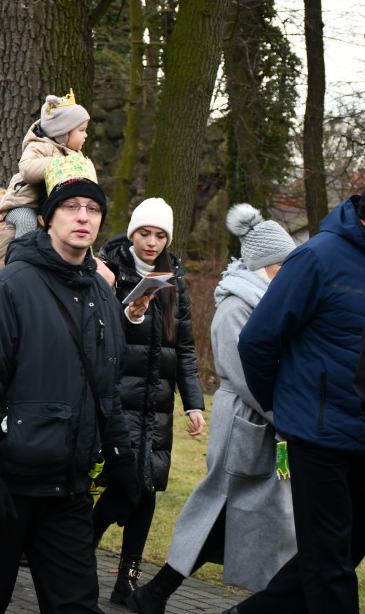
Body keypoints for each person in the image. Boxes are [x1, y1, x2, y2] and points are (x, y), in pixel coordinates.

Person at [0, 154, 140, 614]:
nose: (83, 217)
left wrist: (122, 458)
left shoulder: (103, 297)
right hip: (7, 484)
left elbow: (107, 389)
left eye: (92, 210)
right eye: (71, 207)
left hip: (69, 491)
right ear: (48, 218)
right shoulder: (12, 286)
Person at [129, 204, 297, 613]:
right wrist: (288, 417)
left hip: (263, 425)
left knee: (250, 518)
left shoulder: (266, 301)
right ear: (265, 265)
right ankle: (157, 593)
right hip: (245, 425)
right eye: (283, 265)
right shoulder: (237, 306)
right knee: (219, 510)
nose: (290, 274)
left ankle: (160, 593)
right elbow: (245, 377)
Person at [218, 194, 365, 614]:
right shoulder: (317, 258)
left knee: (343, 552)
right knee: (330, 566)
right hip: (318, 435)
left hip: (360, 433)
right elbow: (258, 341)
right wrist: (287, 407)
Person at [90, 197, 206, 603]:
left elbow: (185, 348)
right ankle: (80, 548)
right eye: (144, 233)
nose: (151, 242)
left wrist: (193, 404)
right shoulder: (110, 270)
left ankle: (128, 579)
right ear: (132, 232)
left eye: (160, 235)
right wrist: (132, 313)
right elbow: (100, 335)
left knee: (149, 488)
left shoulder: (174, 277)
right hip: (118, 398)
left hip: (157, 405)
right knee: (126, 486)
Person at [0, 92, 90, 292]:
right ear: (63, 133)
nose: (86, 135)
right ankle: (21, 264)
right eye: (81, 130)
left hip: (47, 207)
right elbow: (28, 170)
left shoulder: (75, 155)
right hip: (22, 204)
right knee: (27, 222)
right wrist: (59, 165)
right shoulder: (39, 145)